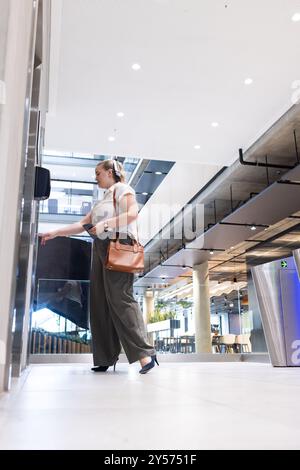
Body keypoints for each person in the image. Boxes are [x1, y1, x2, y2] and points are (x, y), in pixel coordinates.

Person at [40, 159, 158, 374]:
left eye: (98, 173)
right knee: (99, 304)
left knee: (121, 299)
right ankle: (105, 357)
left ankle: (145, 354)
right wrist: (54, 233)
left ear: (110, 172)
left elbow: (132, 213)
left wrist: (106, 224)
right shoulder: (102, 200)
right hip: (100, 248)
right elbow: (81, 225)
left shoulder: (122, 188)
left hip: (119, 244)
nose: (95, 177)